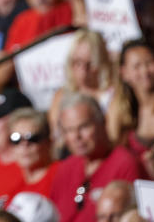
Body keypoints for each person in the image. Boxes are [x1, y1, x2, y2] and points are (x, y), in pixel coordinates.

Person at [49, 93, 146, 222]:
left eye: (83, 127)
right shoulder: (65, 168)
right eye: (69, 130)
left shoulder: (125, 163)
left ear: (103, 122)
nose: (76, 136)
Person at [106, 39, 154, 166]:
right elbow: (110, 147)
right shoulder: (119, 108)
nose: (145, 71)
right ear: (124, 73)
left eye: (149, 63)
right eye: (137, 66)